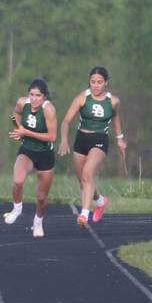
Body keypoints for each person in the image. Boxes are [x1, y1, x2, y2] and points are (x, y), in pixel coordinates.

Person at [58, 66, 127, 227]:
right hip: (81, 140)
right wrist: (63, 139)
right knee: (83, 181)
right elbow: (66, 121)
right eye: (93, 82)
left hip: (100, 140)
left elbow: (115, 117)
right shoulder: (82, 98)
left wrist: (119, 138)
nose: (96, 85)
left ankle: (84, 215)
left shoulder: (113, 101)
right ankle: (101, 201)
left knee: (88, 174)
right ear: (89, 82)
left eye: (99, 82)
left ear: (106, 83)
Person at [3, 79, 57, 238]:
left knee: (41, 198)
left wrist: (26, 132)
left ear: (45, 97)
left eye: (38, 96)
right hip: (27, 150)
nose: (34, 99)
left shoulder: (48, 110)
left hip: (45, 154)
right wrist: (17, 128)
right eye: (31, 94)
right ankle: (17, 208)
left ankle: (38, 221)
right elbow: (15, 115)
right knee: (18, 180)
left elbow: (52, 136)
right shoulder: (22, 103)